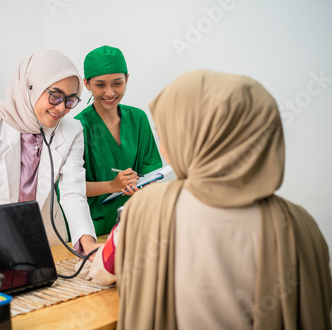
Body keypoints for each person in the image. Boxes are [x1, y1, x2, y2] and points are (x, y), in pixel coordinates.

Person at [84, 70, 332, 329]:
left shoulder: (147, 209)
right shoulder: (300, 226)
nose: (165, 148)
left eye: (167, 135)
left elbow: (102, 271)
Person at [0, 50, 98, 255]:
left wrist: (88, 244)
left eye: (71, 100)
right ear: (29, 89)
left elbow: (73, 192)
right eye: (55, 96)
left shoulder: (72, 131)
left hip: (50, 239)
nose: (62, 108)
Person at [74, 45, 162, 236]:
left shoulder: (138, 119)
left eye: (117, 83)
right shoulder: (78, 128)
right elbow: (70, 188)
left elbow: (152, 172)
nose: (110, 92)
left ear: (127, 79)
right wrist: (112, 186)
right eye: (100, 85)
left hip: (138, 221)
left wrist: (143, 188)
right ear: (87, 84)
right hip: (95, 228)